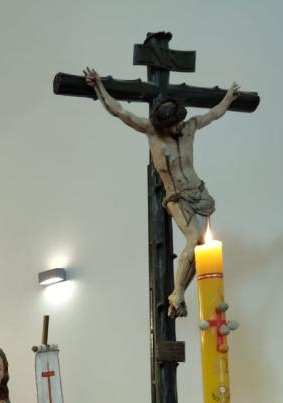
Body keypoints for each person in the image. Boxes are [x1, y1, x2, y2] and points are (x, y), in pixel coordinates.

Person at [84, 68, 240, 317]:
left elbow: (214, 114)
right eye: (172, 125)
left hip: (199, 193)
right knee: (194, 240)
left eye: (179, 122)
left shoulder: (190, 127)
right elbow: (119, 111)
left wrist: (229, 97)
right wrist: (98, 86)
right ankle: (177, 294)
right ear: (163, 124)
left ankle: (179, 294)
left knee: (204, 247)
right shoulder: (152, 132)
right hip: (176, 197)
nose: (178, 127)